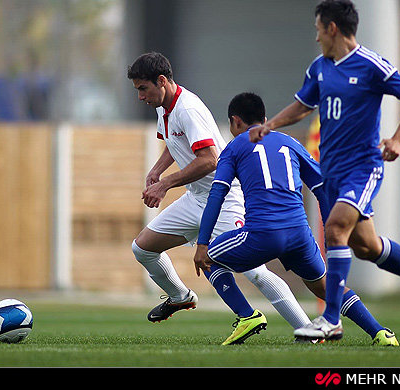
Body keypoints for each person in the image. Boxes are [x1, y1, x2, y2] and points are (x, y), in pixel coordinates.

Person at [249, 0, 400, 341]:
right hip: (332, 170)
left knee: (335, 229)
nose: (316, 38)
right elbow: (302, 106)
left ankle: (331, 319)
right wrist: (272, 126)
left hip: (363, 167)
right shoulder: (319, 67)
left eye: (317, 30)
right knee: (366, 247)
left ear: (332, 28)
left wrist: (398, 139)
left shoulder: (371, 65)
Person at [127, 52, 314, 333]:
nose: (141, 96)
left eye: (143, 88)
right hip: (195, 198)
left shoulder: (187, 109)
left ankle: (307, 329)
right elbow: (174, 141)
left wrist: (165, 184)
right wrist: (157, 170)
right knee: (142, 248)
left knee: (255, 272)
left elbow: (210, 160)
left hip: (223, 198)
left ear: (162, 81)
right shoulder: (163, 108)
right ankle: (180, 297)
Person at [194, 92, 399, 346]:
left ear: (235, 122)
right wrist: (329, 233)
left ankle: (247, 316)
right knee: (325, 286)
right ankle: (380, 333)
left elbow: (217, 194)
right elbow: (322, 186)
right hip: (299, 235)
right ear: (265, 119)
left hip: (262, 234)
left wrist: (202, 243)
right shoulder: (289, 142)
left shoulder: (234, 147)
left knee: (208, 257)